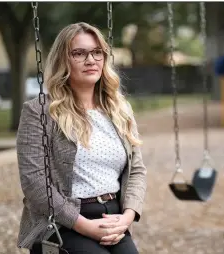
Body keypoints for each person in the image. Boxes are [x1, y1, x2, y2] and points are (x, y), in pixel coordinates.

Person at [16, 22, 147, 254]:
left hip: (114, 216)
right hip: (61, 222)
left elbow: (136, 169)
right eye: (79, 53)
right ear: (62, 60)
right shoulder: (40, 111)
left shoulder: (119, 108)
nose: (91, 60)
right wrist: (83, 225)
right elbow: (34, 181)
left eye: (97, 52)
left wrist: (127, 217)